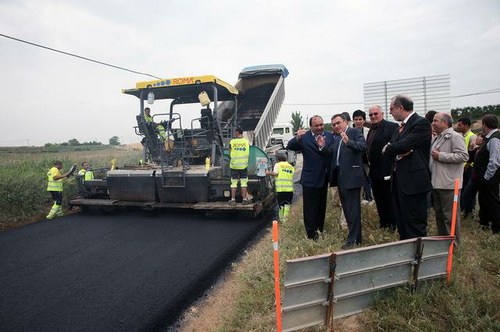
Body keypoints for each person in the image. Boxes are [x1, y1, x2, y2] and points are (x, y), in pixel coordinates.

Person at [383, 95, 432, 240]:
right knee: (402, 222)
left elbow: (402, 145)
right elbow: (389, 149)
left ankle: (418, 257)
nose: (390, 112)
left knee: (415, 224)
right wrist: (395, 150)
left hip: (414, 183)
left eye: (391, 109)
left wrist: (394, 148)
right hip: (399, 182)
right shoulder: (400, 128)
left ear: (400, 108)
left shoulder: (420, 123)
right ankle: (406, 254)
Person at [287, 115, 334, 240]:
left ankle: (320, 230)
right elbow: (290, 146)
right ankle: (311, 235)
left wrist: (322, 147)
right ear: (311, 127)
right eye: (316, 125)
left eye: (321, 125)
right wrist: (297, 137)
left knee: (321, 207)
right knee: (310, 209)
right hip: (310, 179)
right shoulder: (304, 137)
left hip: (324, 177)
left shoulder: (329, 136)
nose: (320, 128)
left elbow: (331, 153)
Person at [328, 113, 366, 248]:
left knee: (353, 210)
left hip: (352, 177)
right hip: (340, 178)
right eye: (334, 125)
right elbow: (332, 155)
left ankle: (353, 240)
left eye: (338, 123)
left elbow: (363, 147)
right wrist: (322, 147)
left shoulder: (354, 132)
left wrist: (348, 142)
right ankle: (355, 237)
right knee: (347, 210)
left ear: (345, 122)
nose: (336, 126)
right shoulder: (337, 139)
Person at [430, 113, 468, 241]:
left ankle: (454, 245)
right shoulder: (437, 138)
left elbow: (463, 156)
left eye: (436, 121)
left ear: (445, 123)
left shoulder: (455, 137)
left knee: (450, 217)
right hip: (437, 182)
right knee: (440, 216)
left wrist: (441, 156)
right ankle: (443, 244)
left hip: (449, 184)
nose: (433, 123)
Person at [366, 105, 399, 230]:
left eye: (376, 113)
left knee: (389, 199)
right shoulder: (371, 130)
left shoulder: (392, 127)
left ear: (382, 113)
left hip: (387, 171)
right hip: (374, 172)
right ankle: (384, 223)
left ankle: (393, 224)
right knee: (379, 199)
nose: (373, 116)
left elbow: (396, 147)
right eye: (371, 115)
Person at [475, 114, 500, 233]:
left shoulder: (495, 138)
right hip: (486, 176)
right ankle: (484, 223)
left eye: (482, 124)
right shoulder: (490, 137)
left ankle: (496, 227)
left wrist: (486, 177)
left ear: (485, 124)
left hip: (490, 177)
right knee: (483, 200)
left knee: (492, 201)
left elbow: (494, 161)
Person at [456, 117, 477, 217]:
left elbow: (473, 154)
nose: (457, 126)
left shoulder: (472, 136)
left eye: (460, 125)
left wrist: (467, 165)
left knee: (468, 190)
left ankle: (469, 211)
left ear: (466, 126)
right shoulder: (461, 136)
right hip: (463, 167)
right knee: (463, 189)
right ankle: (463, 209)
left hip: (469, 168)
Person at [266, 153, 294, 222]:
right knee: (287, 205)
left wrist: (267, 172)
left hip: (281, 190)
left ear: (278, 159)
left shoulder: (278, 165)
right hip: (289, 190)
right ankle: (286, 220)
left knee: (281, 205)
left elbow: (275, 173)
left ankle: (282, 220)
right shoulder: (291, 167)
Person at [352, 109, 373, 203]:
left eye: (360, 119)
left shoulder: (368, 131)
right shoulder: (349, 132)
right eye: (356, 119)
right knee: (357, 180)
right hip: (354, 161)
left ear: (364, 120)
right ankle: (358, 198)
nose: (358, 121)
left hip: (365, 160)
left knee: (367, 178)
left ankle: (368, 197)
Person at [229, 127, 250, 205]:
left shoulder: (232, 142)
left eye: (235, 132)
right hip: (243, 165)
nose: (234, 134)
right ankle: (244, 199)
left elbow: (229, 152)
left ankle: (233, 200)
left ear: (237, 132)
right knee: (244, 182)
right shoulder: (246, 142)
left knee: (233, 183)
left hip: (234, 165)